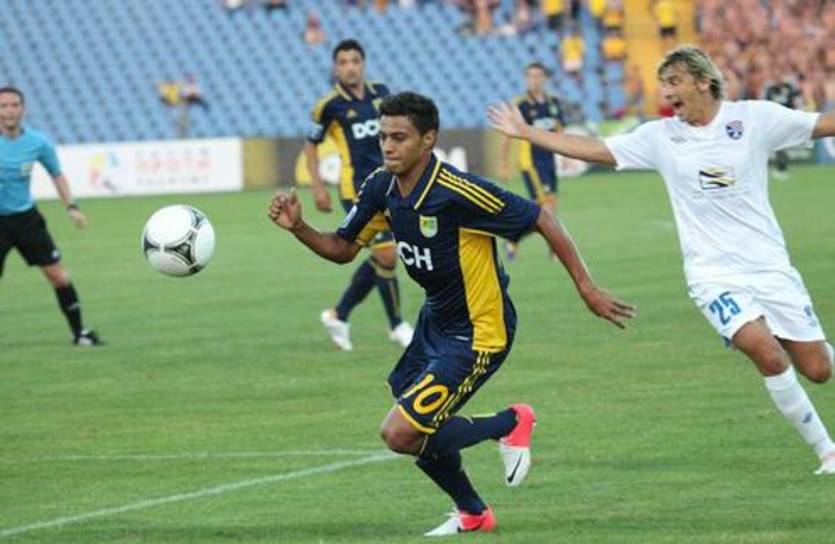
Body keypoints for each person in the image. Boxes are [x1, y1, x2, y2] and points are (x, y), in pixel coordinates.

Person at [270, 92, 634, 535]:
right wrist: (299, 227)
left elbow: (541, 218)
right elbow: (344, 249)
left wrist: (586, 288)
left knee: (400, 433)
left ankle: (511, 422)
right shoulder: (381, 187)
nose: (387, 146)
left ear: (428, 139)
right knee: (418, 429)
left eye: (399, 137)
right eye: (383, 136)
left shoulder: (457, 192)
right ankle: (474, 513)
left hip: (480, 330)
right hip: (435, 323)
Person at [489, 45, 835, 474]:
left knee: (817, 369)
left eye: (674, 82)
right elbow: (596, 148)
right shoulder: (661, 137)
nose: (666, 92)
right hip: (711, 274)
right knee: (767, 355)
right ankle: (827, 451)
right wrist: (526, 133)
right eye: (663, 84)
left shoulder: (754, 119)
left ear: (703, 82)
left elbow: (823, 124)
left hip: (770, 267)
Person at [304, 39, 413, 351]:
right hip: (357, 190)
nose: (350, 67)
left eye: (355, 61)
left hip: (390, 185)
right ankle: (397, 325)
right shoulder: (328, 106)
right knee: (386, 254)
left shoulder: (382, 93)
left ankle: (338, 315)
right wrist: (318, 187)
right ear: (335, 68)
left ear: (363, 64)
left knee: (379, 255)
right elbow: (310, 146)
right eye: (343, 62)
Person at [0, 87, 102, 346]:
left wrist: (72, 207)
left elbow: (57, 174)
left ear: (23, 109)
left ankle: (79, 334)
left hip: (26, 220)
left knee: (59, 276)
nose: (9, 111)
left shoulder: (37, 142)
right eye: (3, 106)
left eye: (14, 105)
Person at [498, 62, 567, 260]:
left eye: (538, 76)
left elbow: (559, 130)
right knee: (547, 206)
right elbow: (507, 136)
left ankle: (513, 238)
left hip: (549, 159)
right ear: (526, 79)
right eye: (531, 76)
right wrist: (504, 164)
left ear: (545, 78)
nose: (534, 80)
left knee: (545, 207)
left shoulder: (553, 102)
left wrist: (566, 155)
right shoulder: (520, 104)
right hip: (531, 162)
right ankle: (556, 247)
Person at [762, 72, 802, 180]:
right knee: (776, 146)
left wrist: (796, 114)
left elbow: (795, 101)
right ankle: (779, 168)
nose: (778, 79)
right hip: (772, 122)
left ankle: (782, 169)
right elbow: (765, 104)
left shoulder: (789, 88)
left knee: (781, 146)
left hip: (786, 120)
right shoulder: (770, 89)